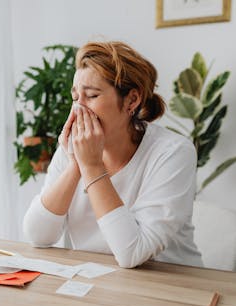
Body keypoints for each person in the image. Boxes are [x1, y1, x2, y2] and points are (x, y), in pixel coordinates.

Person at [23, 41, 202, 268]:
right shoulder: (73, 148)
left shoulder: (173, 152)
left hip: (173, 287)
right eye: (76, 97)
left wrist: (92, 167)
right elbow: (38, 236)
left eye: (92, 96)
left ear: (132, 101)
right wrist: (75, 165)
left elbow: (133, 253)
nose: (78, 108)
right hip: (99, 284)